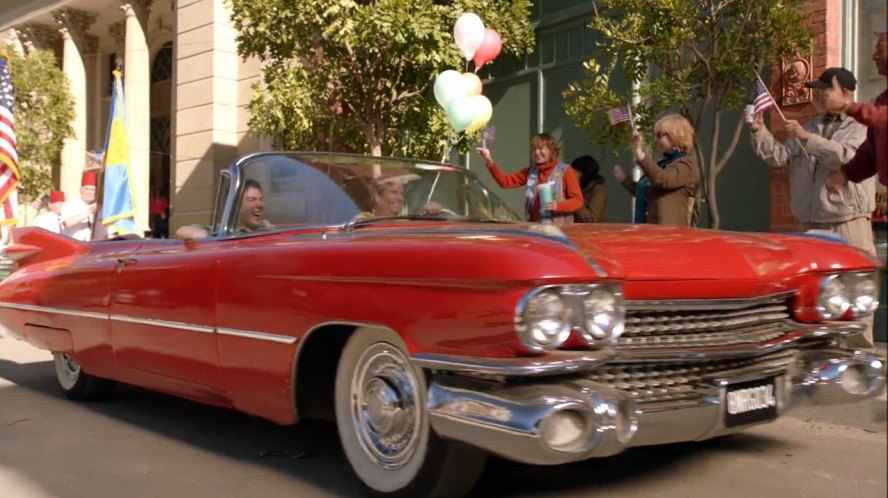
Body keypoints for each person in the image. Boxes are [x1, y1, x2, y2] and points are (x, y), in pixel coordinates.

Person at [750, 67, 875, 349]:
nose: (819, 95)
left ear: (846, 93)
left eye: (825, 89)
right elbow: (778, 157)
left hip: (847, 222)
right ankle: (822, 357)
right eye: (817, 90)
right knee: (815, 294)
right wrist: (760, 131)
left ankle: (859, 361)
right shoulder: (812, 125)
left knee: (855, 294)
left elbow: (846, 157)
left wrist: (807, 138)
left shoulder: (862, 127)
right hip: (810, 224)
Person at [476, 133, 582, 226]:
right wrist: (489, 161)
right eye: (534, 149)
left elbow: (578, 201)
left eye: (540, 148)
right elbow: (505, 182)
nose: (536, 152)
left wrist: (558, 206)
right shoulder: (530, 172)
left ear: (551, 150)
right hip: (535, 229)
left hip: (560, 231)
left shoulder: (565, 171)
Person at [614, 115, 698, 226]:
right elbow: (643, 192)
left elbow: (662, 180)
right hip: (649, 232)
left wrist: (641, 154)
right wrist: (624, 178)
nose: (656, 140)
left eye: (660, 135)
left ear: (675, 135)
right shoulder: (663, 164)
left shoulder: (686, 164)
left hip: (669, 237)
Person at [837, 32, 887, 187]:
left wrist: (847, 106)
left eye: (879, 50)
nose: (874, 57)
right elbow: (871, 151)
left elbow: (882, 118)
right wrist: (846, 173)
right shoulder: (882, 100)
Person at [176, 179, 269, 240]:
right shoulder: (222, 229)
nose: (260, 204)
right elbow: (181, 231)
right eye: (251, 200)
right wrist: (204, 237)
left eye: (261, 199)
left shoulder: (267, 226)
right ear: (235, 206)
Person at [61, 172, 100, 241]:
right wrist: (89, 211)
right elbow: (68, 223)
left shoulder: (100, 207)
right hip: (73, 246)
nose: (89, 192)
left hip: (94, 246)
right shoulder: (70, 204)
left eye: (93, 190)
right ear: (80, 190)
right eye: (86, 189)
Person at [570, 155, 607, 223]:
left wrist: (574, 200)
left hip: (593, 232)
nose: (571, 176)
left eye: (575, 172)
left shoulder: (599, 189)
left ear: (583, 174)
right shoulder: (578, 188)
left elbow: (591, 218)